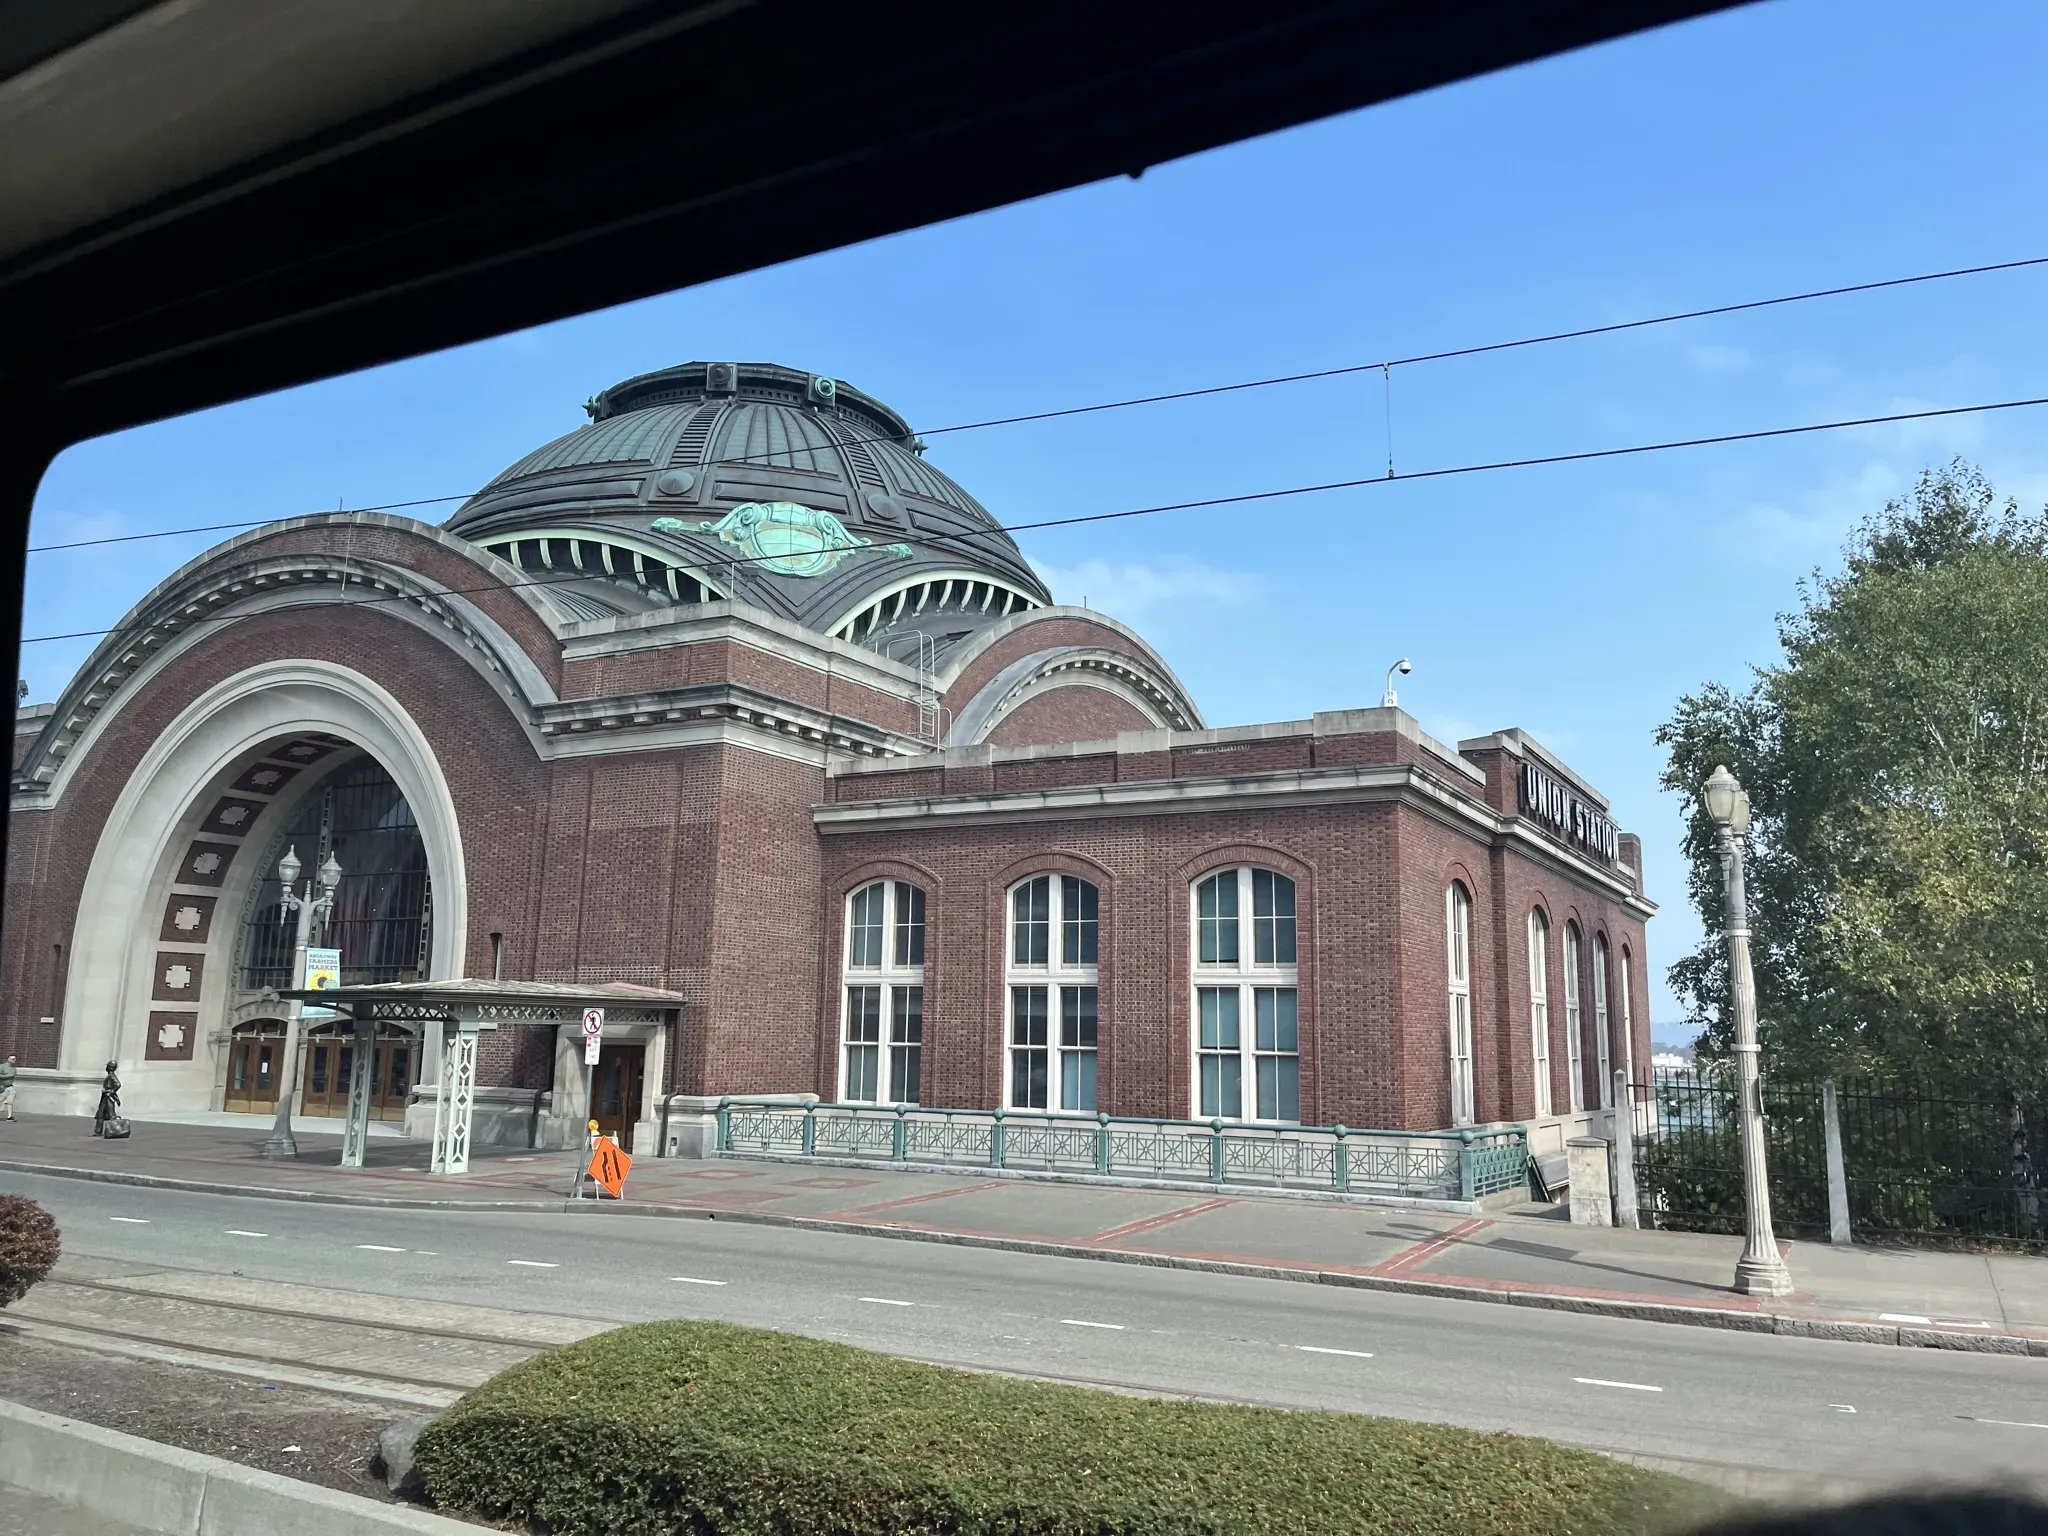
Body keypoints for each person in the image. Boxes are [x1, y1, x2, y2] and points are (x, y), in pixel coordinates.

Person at [92, 1060, 121, 1136]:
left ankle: (115, 1130)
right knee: (100, 1114)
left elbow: (118, 1084)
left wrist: (111, 1091)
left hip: (108, 1097)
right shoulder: (109, 1075)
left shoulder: (111, 1076)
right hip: (105, 1096)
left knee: (111, 1114)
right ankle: (98, 1131)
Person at [0, 1054, 16, 1120]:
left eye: (15, 1059)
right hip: (2, 1086)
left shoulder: (14, 1069)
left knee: (10, 1101)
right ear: (8, 1059)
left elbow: (13, 1076)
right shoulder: (2, 1066)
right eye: (12, 1059)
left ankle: (9, 1116)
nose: (14, 1060)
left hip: (10, 1086)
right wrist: (8, 1076)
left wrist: (10, 1077)